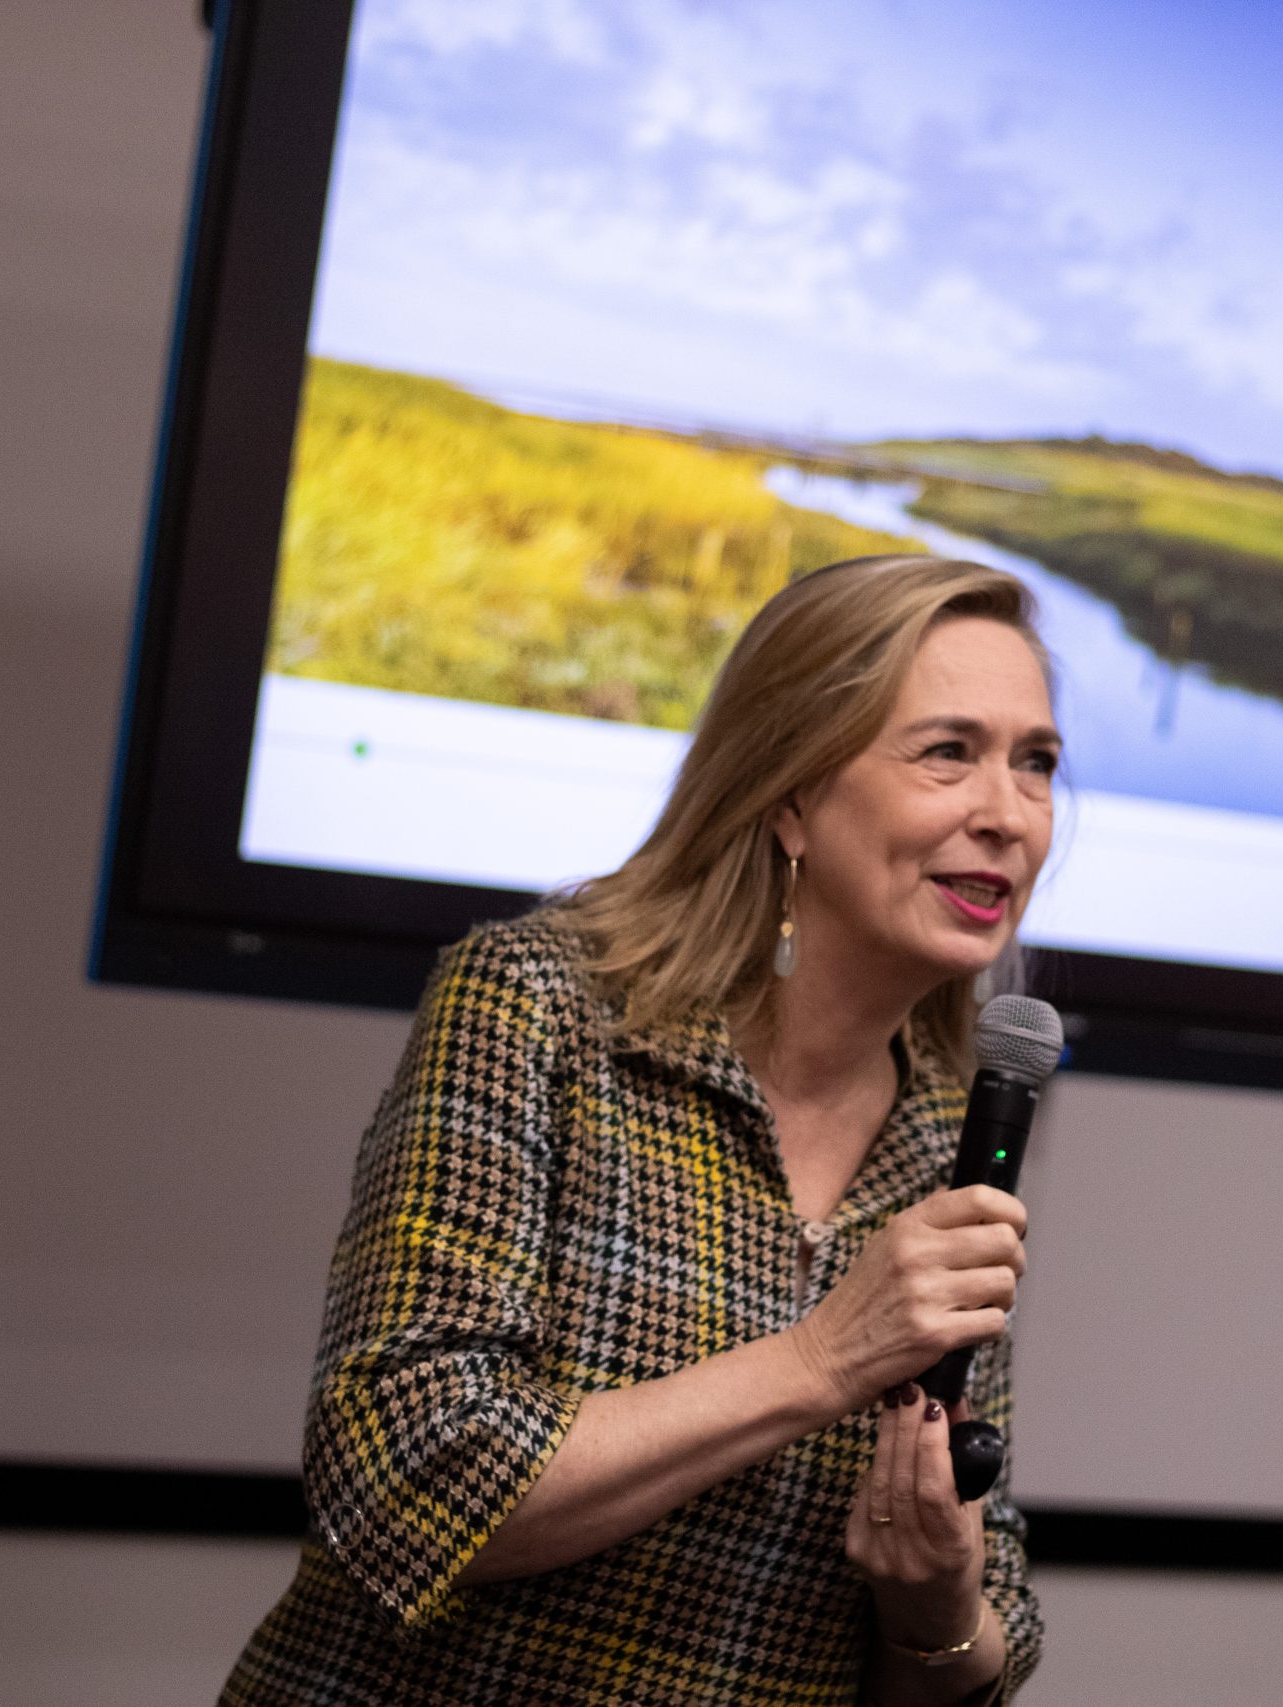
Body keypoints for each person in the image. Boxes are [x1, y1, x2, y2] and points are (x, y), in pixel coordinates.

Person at [223, 556, 1059, 1706]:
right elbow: (403, 1474)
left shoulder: (950, 1136)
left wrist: (938, 1609)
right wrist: (820, 1360)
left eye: (1037, 764)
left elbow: (982, 1621)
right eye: (947, 752)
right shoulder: (541, 1008)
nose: (1007, 815)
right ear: (791, 796)